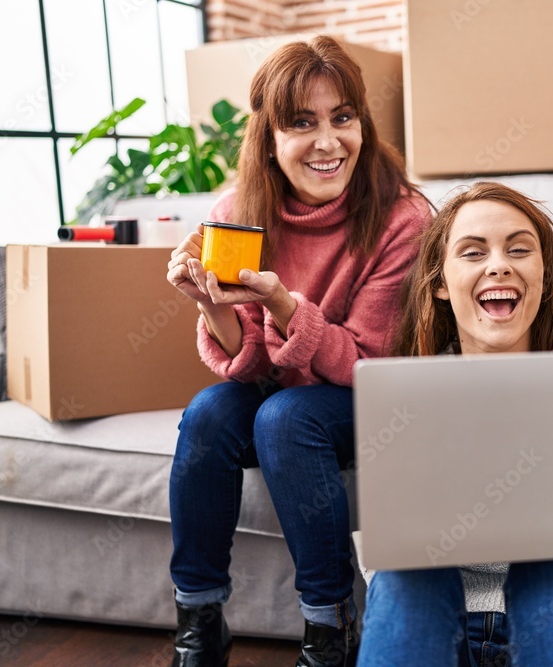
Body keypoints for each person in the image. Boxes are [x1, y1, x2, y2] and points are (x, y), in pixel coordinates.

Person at [165, 36, 430, 667]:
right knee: (208, 412)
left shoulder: (403, 218)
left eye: (344, 117)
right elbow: (251, 362)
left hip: (374, 395)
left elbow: (370, 364)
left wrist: (285, 304)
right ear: (270, 136)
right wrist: (211, 301)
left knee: (285, 418)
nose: (329, 142)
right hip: (286, 395)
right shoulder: (238, 212)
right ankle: (198, 624)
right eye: (303, 123)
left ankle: (330, 629)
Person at [356, 182, 553, 667]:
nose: (499, 264)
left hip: (548, 631)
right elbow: (379, 565)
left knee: (552, 567)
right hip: (440, 629)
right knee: (405, 573)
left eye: (519, 249)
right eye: (473, 252)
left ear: (545, 276)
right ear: (440, 283)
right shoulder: (405, 398)